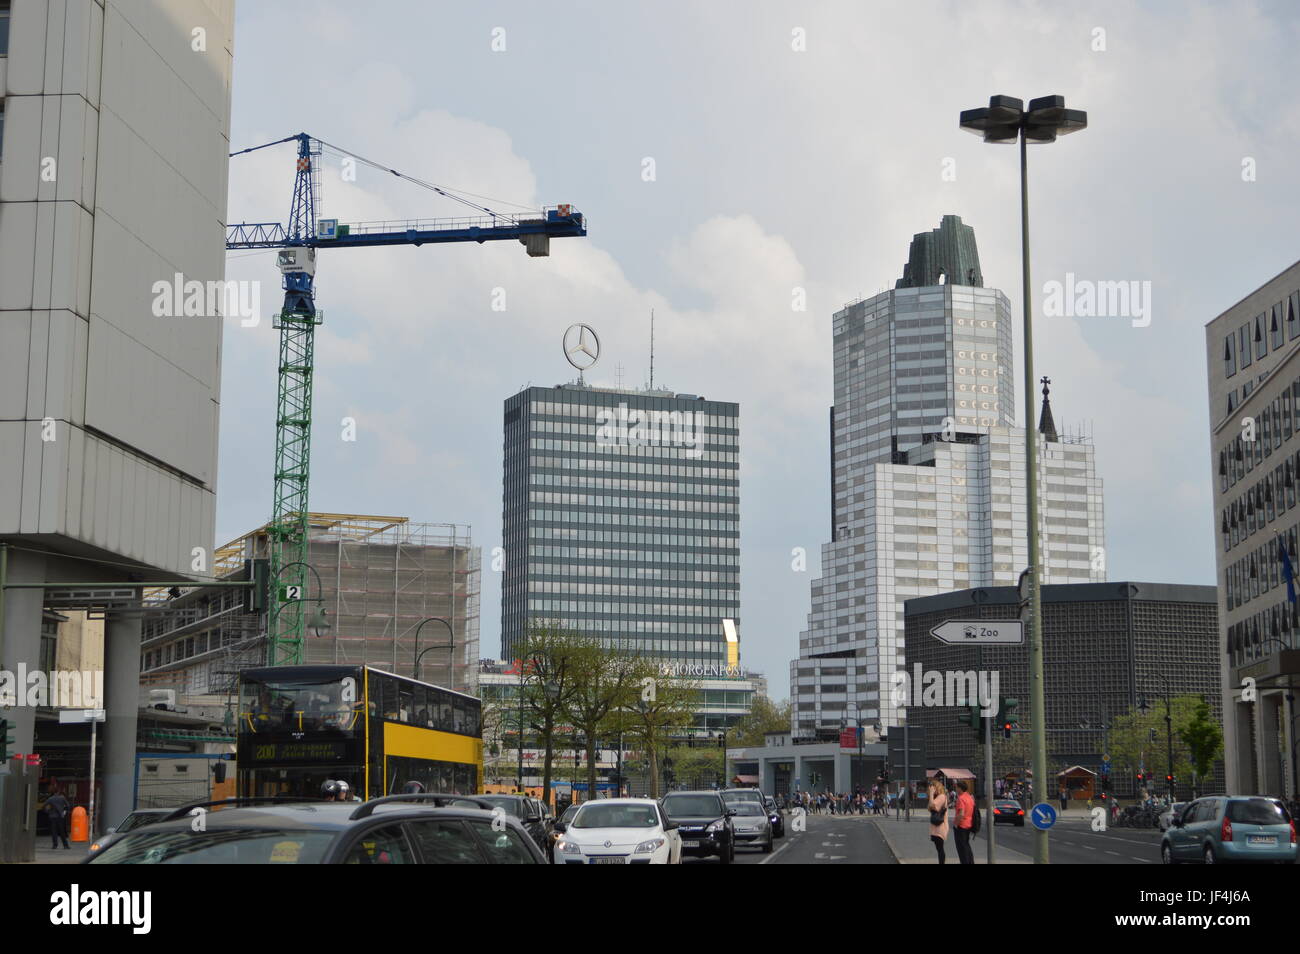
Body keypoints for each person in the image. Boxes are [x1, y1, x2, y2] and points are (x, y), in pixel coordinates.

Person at [953, 780, 975, 865]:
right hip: (968, 824)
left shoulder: (961, 798)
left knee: (961, 848)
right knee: (966, 845)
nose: (956, 789)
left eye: (956, 787)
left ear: (960, 788)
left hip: (961, 826)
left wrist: (956, 824)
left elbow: (961, 814)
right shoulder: (969, 797)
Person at [927, 778, 949, 864]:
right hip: (936, 827)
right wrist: (931, 796)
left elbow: (932, 806)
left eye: (932, 787)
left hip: (940, 827)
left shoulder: (942, 796)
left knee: (940, 849)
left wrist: (931, 794)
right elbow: (929, 807)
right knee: (939, 848)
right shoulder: (938, 797)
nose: (930, 789)